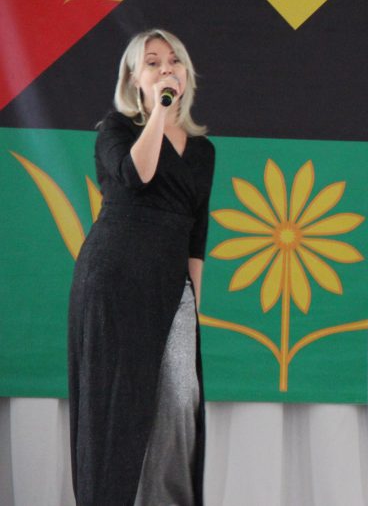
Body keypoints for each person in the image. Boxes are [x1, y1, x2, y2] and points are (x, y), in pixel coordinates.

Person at [68, 29, 215, 505]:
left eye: (174, 60)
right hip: (113, 279)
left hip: (171, 285)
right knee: (116, 402)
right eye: (152, 62)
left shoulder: (203, 151)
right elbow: (137, 174)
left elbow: (197, 235)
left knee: (179, 396)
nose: (166, 68)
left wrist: (194, 305)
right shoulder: (115, 129)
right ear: (134, 78)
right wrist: (158, 113)